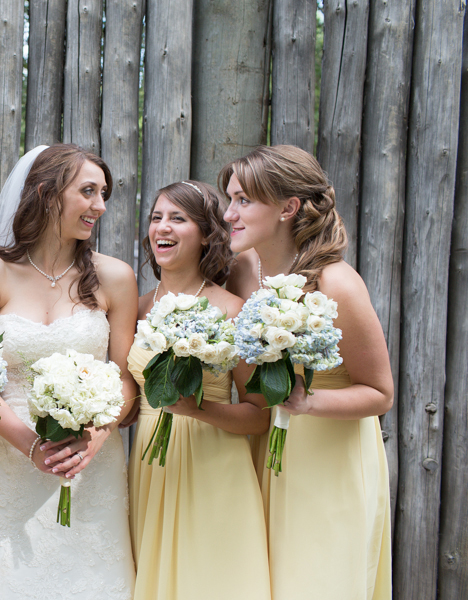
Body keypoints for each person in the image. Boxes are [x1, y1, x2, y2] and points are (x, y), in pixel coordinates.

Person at [0, 144, 138, 600]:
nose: (100, 206)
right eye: (87, 192)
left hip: (91, 462)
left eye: (103, 194)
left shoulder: (114, 277)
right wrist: (32, 447)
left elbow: (125, 378)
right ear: (45, 193)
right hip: (11, 455)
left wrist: (93, 440)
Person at [220, 145, 393, 599]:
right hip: (267, 455)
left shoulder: (337, 284)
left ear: (287, 207)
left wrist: (308, 401)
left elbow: (380, 392)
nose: (228, 213)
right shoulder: (242, 270)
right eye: (229, 199)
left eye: (243, 201)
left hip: (328, 460)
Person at [127, 181, 271, 600]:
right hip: (151, 464)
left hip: (215, 464)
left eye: (177, 218)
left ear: (207, 233)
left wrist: (197, 408)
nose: (162, 228)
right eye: (156, 218)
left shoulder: (232, 310)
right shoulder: (135, 308)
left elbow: (259, 415)